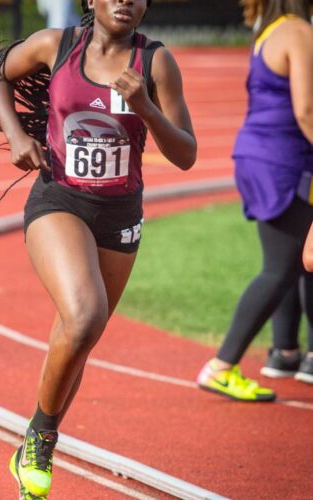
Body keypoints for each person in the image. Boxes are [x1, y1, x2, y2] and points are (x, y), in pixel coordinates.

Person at [0, 0, 196, 497]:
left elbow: (186, 154)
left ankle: (30, 461)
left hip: (120, 215)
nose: (126, 1)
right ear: (92, 0)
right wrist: (15, 134)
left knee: (79, 337)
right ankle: (40, 438)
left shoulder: (155, 62)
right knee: (86, 314)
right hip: (59, 199)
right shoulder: (56, 45)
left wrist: (147, 107)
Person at [197, 0, 313, 401]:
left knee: (294, 258)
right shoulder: (298, 32)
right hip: (284, 159)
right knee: (281, 266)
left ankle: (285, 352)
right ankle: (222, 365)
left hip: (259, 154)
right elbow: (306, 109)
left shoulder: (269, 30)